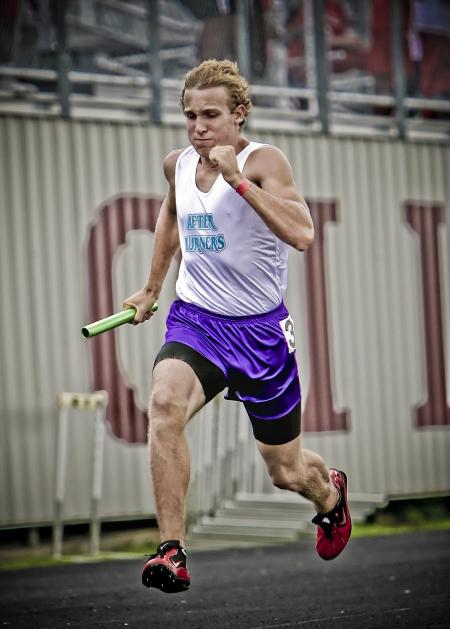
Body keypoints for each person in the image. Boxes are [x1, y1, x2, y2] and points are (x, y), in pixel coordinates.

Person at [123, 59, 351, 594]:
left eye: (211, 115)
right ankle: (171, 550)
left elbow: (302, 234)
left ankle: (330, 496)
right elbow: (173, 217)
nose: (198, 127)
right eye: (189, 116)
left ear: (239, 115)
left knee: (286, 470)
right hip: (197, 320)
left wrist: (236, 180)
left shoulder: (263, 161)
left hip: (261, 334)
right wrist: (152, 289)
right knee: (164, 403)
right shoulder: (177, 164)